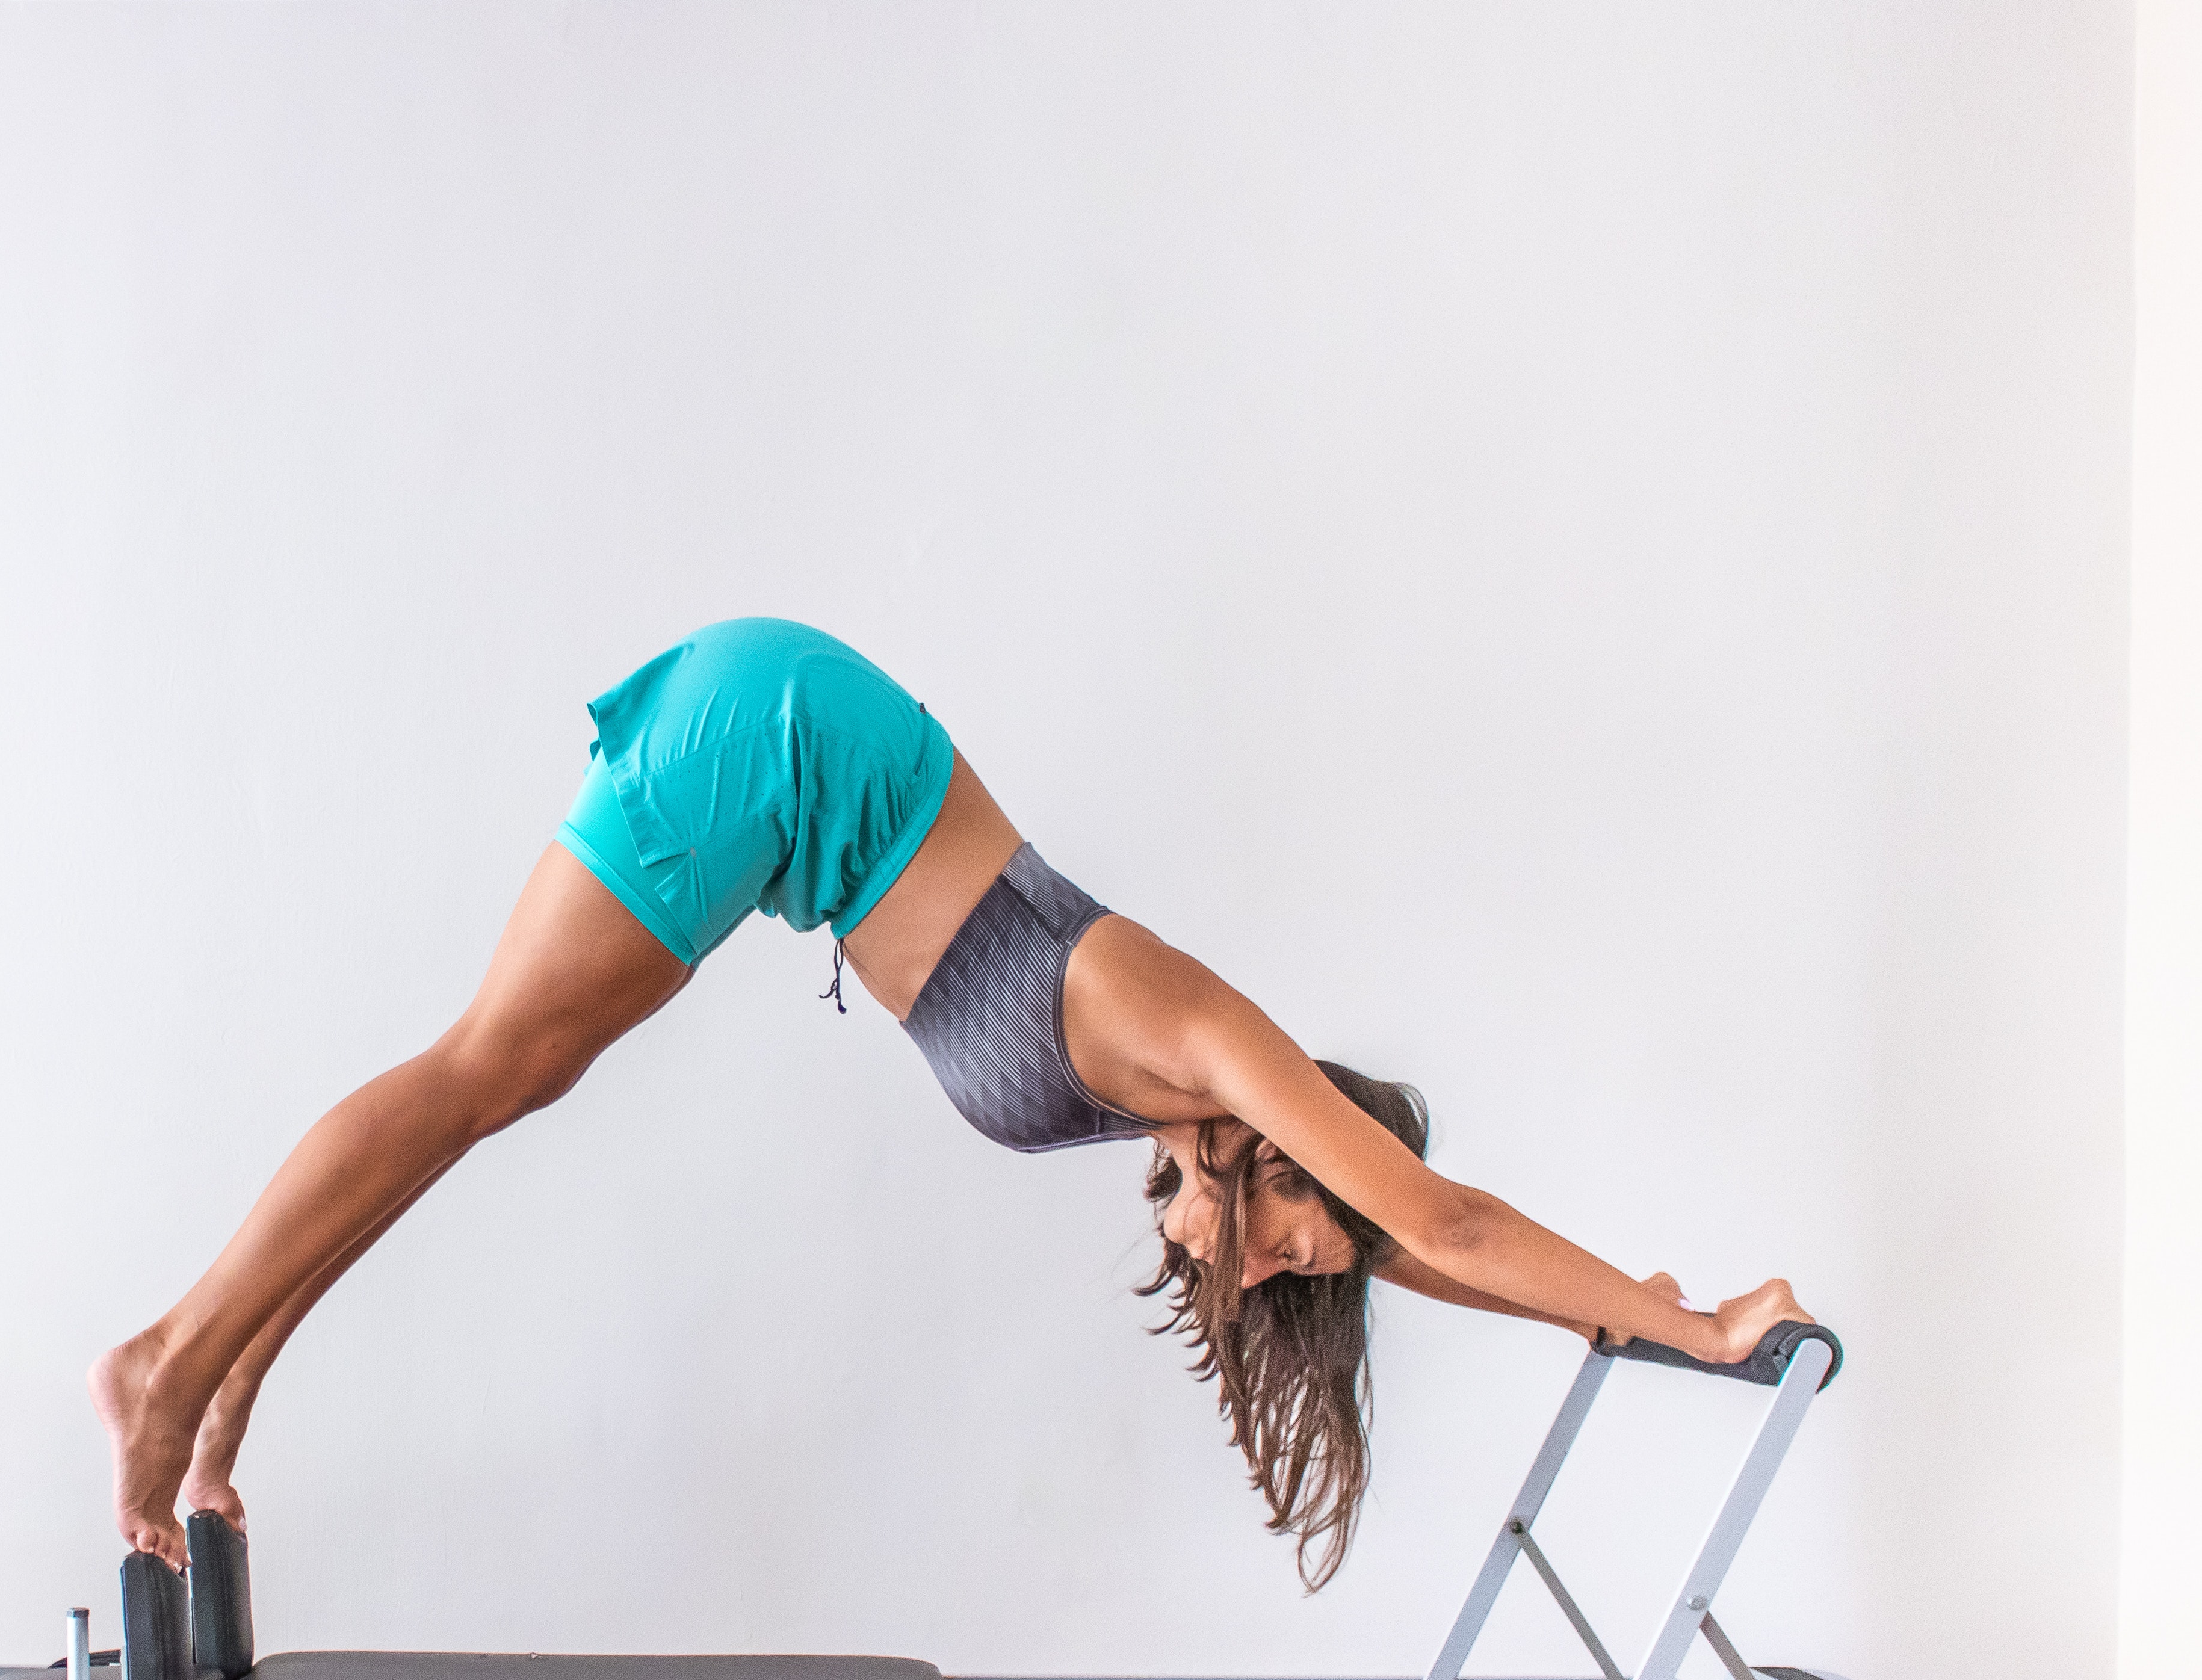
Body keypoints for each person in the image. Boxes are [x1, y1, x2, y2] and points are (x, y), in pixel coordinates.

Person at [93, 619, 1808, 1587]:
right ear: (1296, 1147)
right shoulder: (1191, 1032)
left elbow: (1415, 1254)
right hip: (771, 746)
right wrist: (1717, 1320)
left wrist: (1626, 1313)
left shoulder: (1170, 1103)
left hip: (781, 769)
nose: (1283, 1267)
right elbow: (1439, 1219)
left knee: (498, 1084)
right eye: (1305, 1233)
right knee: (493, 1068)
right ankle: (171, 1363)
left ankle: (225, 1375)